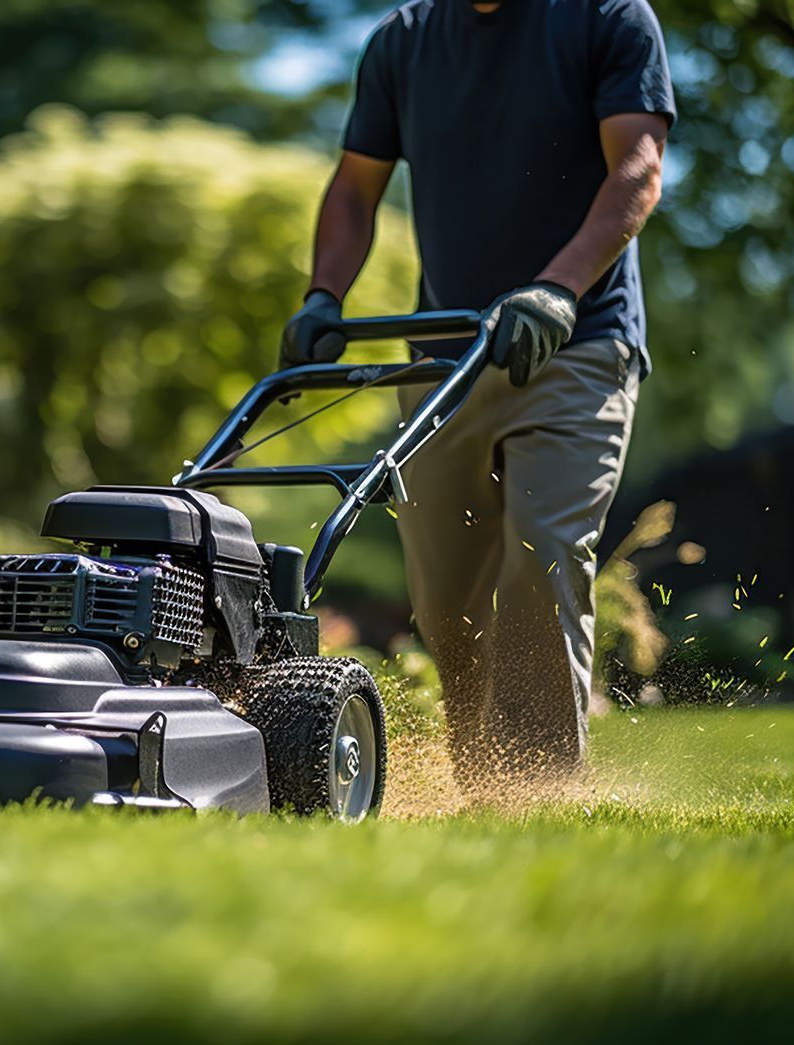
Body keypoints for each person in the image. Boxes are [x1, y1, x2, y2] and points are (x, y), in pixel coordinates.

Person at [280, 0, 674, 791]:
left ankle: (536, 795)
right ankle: (486, 788)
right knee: (446, 604)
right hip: (446, 355)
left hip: (576, 340)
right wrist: (325, 293)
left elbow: (637, 169)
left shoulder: (607, 18)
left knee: (542, 556)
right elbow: (356, 187)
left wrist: (557, 289)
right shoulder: (404, 42)